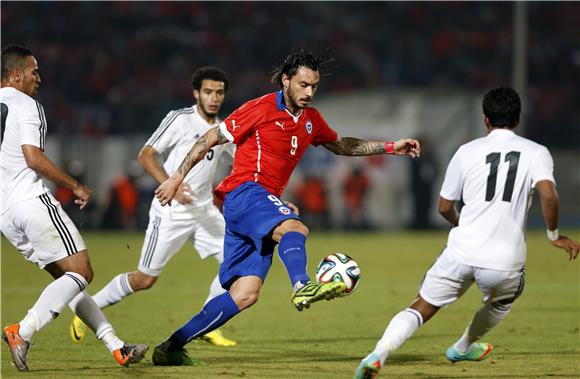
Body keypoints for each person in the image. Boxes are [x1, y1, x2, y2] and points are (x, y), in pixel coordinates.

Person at [152, 47, 421, 366]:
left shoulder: (311, 120)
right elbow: (208, 139)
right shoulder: (260, 108)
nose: (309, 92)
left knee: (245, 295)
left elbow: (341, 145)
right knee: (295, 226)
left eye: (314, 86)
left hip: (255, 205)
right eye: (303, 85)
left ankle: (170, 347)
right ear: (285, 81)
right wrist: (174, 178)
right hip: (243, 192)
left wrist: (391, 147)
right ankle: (302, 285)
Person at [354, 87, 580, 379]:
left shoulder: (466, 151)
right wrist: (554, 235)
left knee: (422, 305)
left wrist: (462, 225)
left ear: (485, 119)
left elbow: (444, 206)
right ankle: (463, 345)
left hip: (461, 251)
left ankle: (377, 355)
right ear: (519, 118)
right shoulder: (537, 152)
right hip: (504, 260)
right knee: (502, 300)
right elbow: (548, 196)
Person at [0, 44, 148, 372]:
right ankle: (22, 331)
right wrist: (75, 185)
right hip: (30, 201)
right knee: (82, 272)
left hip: (6, 214)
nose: (39, 77)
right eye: (34, 70)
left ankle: (116, 346)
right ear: (15, 74)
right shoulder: (25, 104)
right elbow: (33, 157)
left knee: (67, 282)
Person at [69, 67, 237, 347]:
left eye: (219, 92)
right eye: (208, 91)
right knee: (145, 279)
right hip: (170, 211)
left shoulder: (223, 129)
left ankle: (208, 322)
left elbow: (243, 161)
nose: (214, 98)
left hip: (204, 211)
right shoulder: (180, 120)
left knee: (235, 264)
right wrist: (169, 182)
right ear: (196, 93)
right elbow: (146, 155)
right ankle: (87, 308)